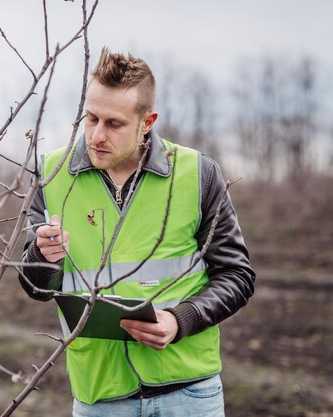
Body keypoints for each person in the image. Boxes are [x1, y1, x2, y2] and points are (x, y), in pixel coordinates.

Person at [18, 47, 255, 417]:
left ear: (147, 121)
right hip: (100, 397)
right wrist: (41, 257)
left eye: (114, 123)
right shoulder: (51, 174)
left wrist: (181, 320)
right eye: (91, 118)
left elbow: (237, 276)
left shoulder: (198, 174)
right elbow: (35, 288)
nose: (97, 135)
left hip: (190, 395)